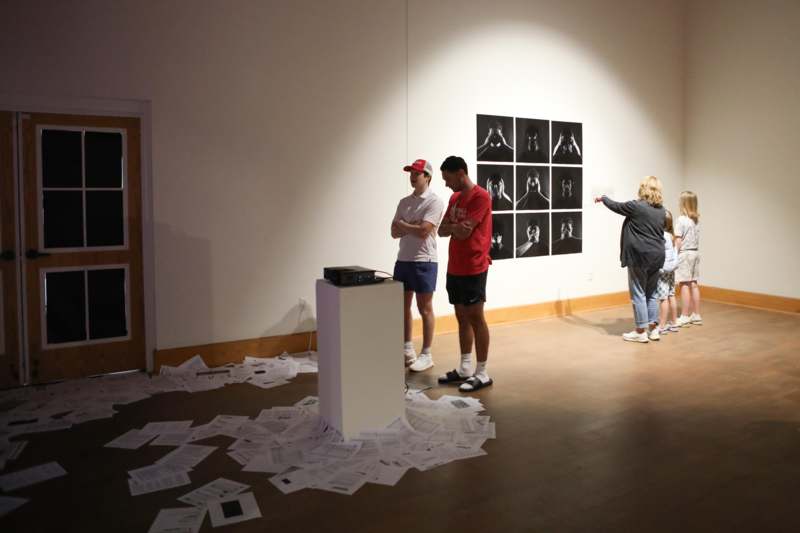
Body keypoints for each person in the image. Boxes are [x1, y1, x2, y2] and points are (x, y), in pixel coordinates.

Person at [437, 156, 493, 392]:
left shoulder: (480, 196)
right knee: (461, 316)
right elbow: (442, 231)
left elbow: (463, 233)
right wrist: (455, 228)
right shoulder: (455, 198)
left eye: (448, 179)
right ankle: (465, 367)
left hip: (474, 266)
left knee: (475, 317)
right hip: (455, 266)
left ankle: (482, 372)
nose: (447, 184)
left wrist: (456, 229)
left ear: (461, 173)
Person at [595, 176, 666, 342]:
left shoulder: (637, 206)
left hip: (639, 256)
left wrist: (603, 198)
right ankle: (653, 330)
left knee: (639, 293)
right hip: (657, 256)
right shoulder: (661, 210)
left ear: (644, 189)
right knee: (652, 293)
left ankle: (640, 331)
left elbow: (616, 206)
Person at [391, 159, 445, 371]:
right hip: (403, 259)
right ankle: (407, 347)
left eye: (417, 173)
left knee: (425, 308)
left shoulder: (434, 201)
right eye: (411, 173)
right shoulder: (404, 202)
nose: (413, 176)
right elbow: (393, 232)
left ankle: (427, 353)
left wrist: (405, 224)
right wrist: (410, 226)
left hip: (425, 260)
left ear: (427, 177)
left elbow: (424, 231)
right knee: (402, 306)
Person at [674, 191, 702, 326]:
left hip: (684, 254)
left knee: (684, 284)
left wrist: (674, 254)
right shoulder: (696, 220)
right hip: (695, 253)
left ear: (683, 203)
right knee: (694, 284)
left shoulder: (681, 220)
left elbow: (678, 240)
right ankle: (696, 314)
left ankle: (684, 315)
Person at [656, 210, 680, 335]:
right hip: (672, 270)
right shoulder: (672, 236)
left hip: (662, 271)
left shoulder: (661, 236)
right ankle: (674, 323)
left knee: (662, 298)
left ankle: (662, 325)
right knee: (671, 295)